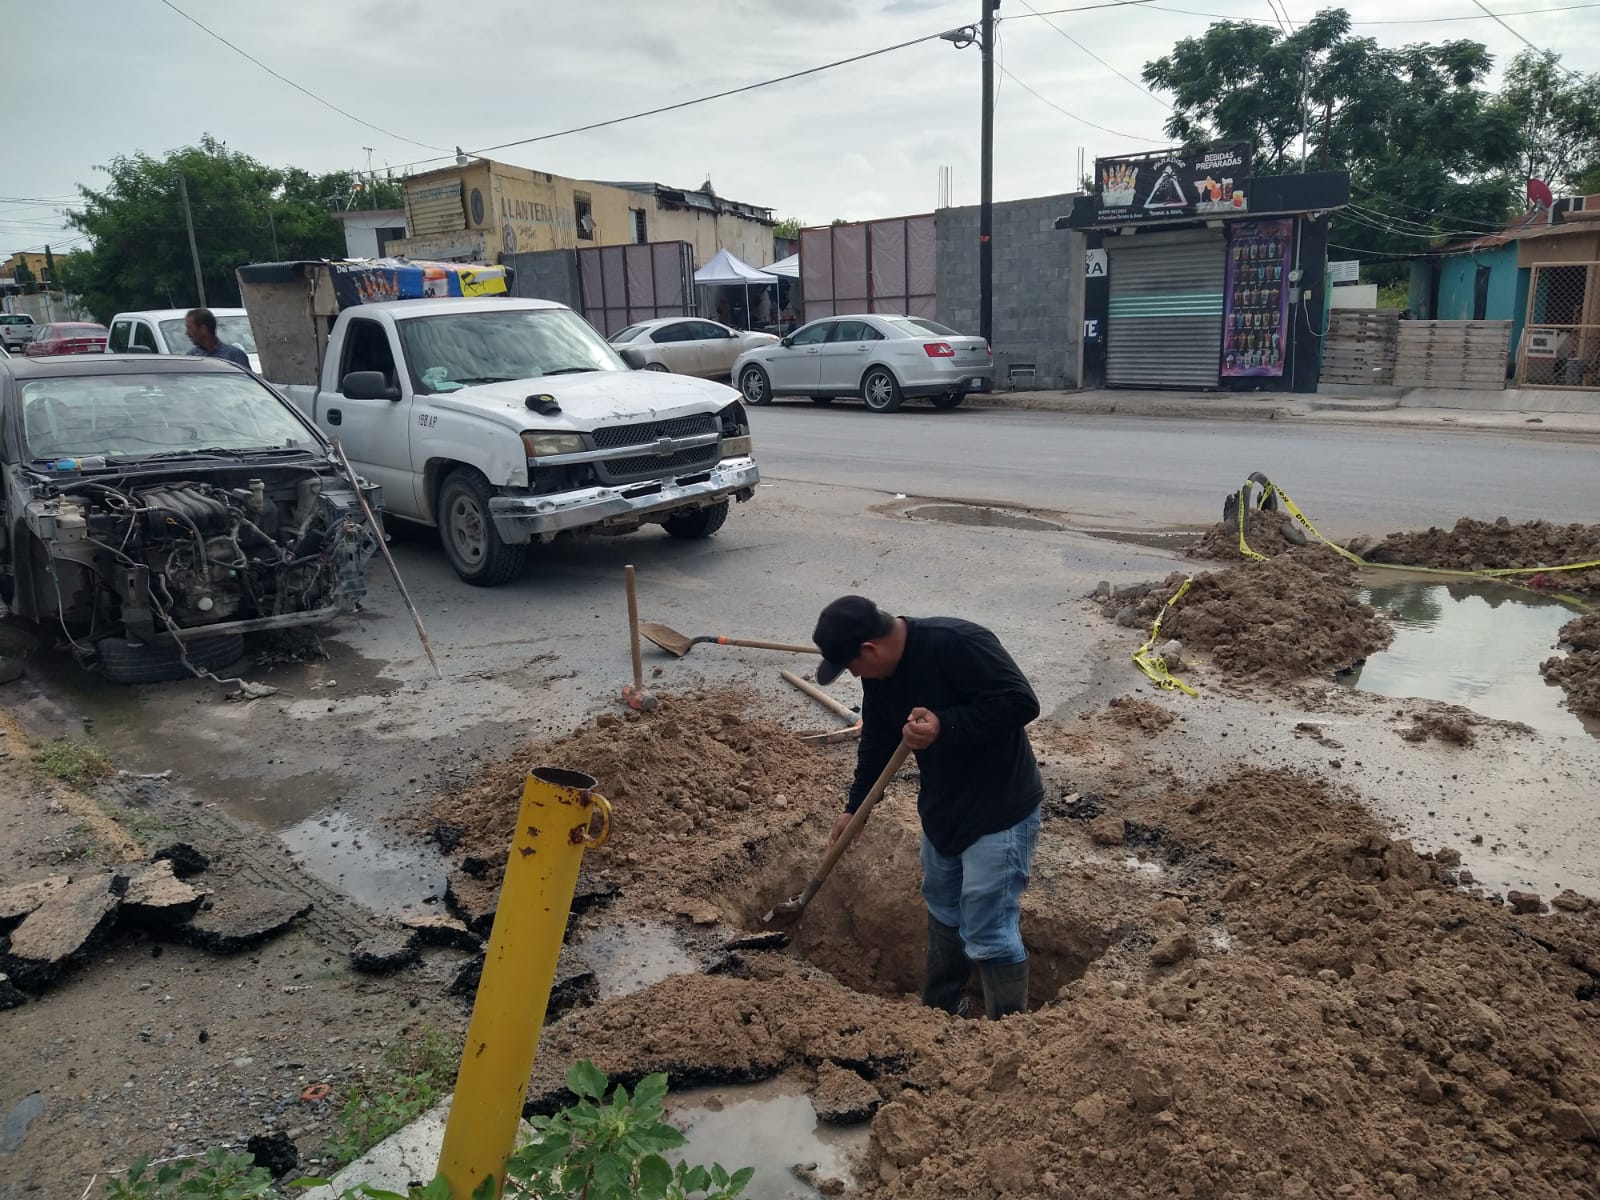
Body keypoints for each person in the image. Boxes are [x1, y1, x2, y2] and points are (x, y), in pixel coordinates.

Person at [812, 595, 1042, 1019]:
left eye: (851, 666)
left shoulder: (957, 642)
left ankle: (1010, 1034)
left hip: (999, 809)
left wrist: (945, 724)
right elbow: (878, 741)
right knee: (944, 907)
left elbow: (1021, 702)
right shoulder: (879, 676)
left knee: (989, 927)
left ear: (869, 649)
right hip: (943, 809)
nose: (854, 674)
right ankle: (939, 1012)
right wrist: (855, 807)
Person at [185, 308, 251, 370]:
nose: (187, 333)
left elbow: (247, 381)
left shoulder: (234, 356)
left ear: (203, 329)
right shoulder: (191, 357)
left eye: (189, 328)